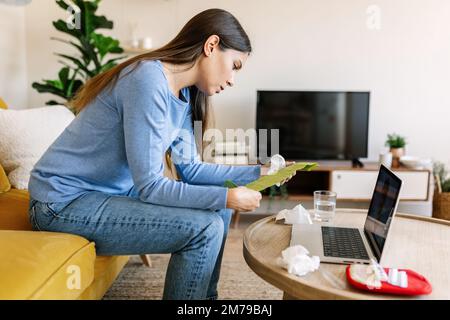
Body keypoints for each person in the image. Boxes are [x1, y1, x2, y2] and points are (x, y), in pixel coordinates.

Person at [28, 8, 291, 300]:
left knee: (221, 207)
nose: (232, 80)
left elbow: (190, 169)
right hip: (62, 203)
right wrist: (228, 195)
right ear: (212, 45)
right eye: (235, 65)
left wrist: (260, 172)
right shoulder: (146, 80)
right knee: (204, 228)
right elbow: (151, 186)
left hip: (107, 194)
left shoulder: (184, 93)